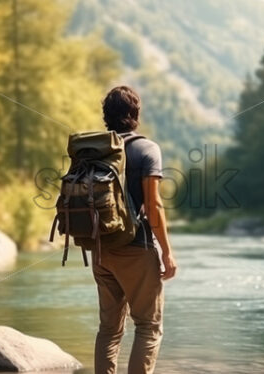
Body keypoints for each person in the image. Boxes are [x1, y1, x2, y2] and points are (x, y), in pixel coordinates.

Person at [92, 86, 178, 374]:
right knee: (148, 327)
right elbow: (153, 205)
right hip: (136, 248)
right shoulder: (146, 149)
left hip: (100, 249)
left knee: (109, 330)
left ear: (107, 116)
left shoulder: (93, 150)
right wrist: (167, 252)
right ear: (135, 114)